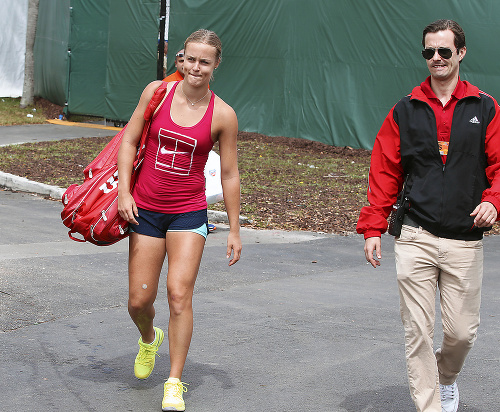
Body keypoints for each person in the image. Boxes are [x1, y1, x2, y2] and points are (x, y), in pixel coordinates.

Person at [357, 19, 500, 412]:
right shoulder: (405, 109)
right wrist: (372, 226)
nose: (435, 58)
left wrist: (494, 200)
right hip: (415, 236)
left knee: (461, 334)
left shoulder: (485, 107)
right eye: (428, 52)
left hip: (464, 239)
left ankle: (446, 377)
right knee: (417, 331)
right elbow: (384, 170)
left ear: (461, 53)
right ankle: (430, 405)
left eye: (444, 51)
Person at [117, 29, 242, 411]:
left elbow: (231, 174)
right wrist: (124, 193)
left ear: (216, 65)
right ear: (181, 60)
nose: (197, 67)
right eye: (191, 59)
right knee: (139, 301)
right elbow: (129, 140)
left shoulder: (223, 114)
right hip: (146, 210)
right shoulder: (156, 93)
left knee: (178, 295)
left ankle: (174, 382)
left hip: (188, 213)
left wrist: (235, 228)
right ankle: (147, 338)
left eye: (205, 61)